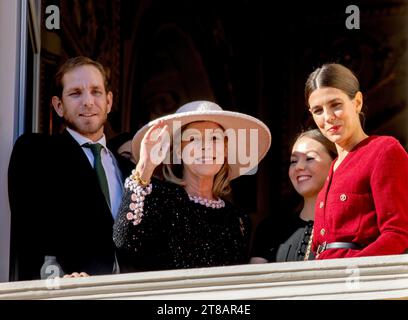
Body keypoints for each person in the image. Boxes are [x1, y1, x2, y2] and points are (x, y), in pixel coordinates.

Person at [113, 100, 271, 271]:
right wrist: (144, 168)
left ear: (225, 150)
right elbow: (123, 242)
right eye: (194, 139)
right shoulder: (158, 198)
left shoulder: (238, 220)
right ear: (180, 151)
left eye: (214, 138)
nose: (205, 147)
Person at [8, 56, 124, 280]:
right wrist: (55, 282)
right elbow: (30, 233)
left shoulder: (130, 169)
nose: (88, 102)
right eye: (75, 93)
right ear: (58, 106)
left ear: (109, 102)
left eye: (96, 92)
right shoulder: (36, 152)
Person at [305, 63, 408, 259]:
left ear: (357, 102)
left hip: (360, 284)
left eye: (336, 105)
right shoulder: (331, 168)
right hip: (321, 281)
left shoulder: (384, 150)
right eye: (318, 110)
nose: (328, 117)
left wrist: (352, 271)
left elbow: (398, 234)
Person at [250, 129, 336, 263]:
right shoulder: (269, 229)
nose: (299, 167)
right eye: (293, 161)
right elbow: (256, 282)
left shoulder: (347, 227)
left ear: (335, 163)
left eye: (310, 158)